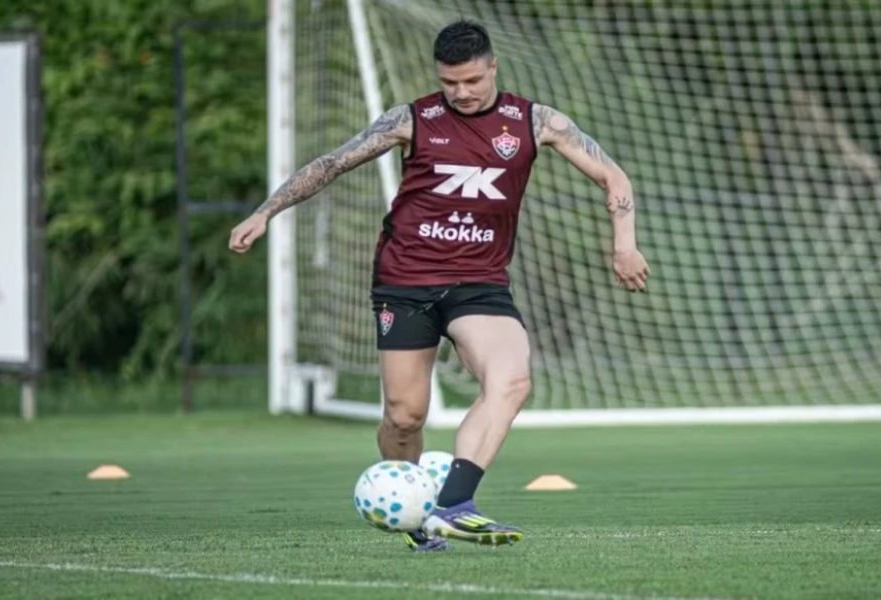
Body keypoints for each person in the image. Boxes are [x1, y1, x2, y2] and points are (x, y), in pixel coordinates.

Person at [229, 20, 649, 551]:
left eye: (472, 80)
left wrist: (624, 243)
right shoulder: (412, 119)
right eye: (450, 82)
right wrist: (267, 211)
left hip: (478, 284)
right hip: (405, 282)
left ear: (493, 67)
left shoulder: (536, 121)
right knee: (405, 417)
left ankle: (453, 504)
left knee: (512, 379)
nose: (462, 92)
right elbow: (332, 163)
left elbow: (614, 176)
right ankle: (413, 516)